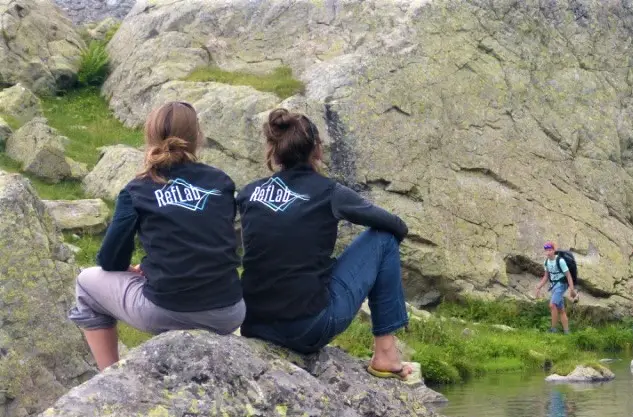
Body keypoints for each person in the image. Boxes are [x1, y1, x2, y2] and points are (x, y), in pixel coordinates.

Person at [67, 101, 245, 370]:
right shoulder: (221, 182)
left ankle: (110, 375)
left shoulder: (137, 189)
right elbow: (207, 238)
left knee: (85, 283)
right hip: (230, 311)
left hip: (165, 309)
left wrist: (142, 268)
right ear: (197, 136)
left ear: (149, 136)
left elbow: (110, 260)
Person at [238, 108, 412, 379]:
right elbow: (395, 225)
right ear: (317, 150)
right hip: (307, 327)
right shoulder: (329, 191)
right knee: (384, 239)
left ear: (273, 150)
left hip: (253, 324)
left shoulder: (249, 193)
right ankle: (386, 354)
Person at [533, 241, 576, 333]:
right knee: (561, 310)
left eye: (550, 250)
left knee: (552, 305)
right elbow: (546, 276)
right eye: (546, 250)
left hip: (562, 284)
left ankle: (553, 329)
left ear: (554, 250)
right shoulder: (546, 262)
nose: (548, 252)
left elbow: (568, 275)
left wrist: (572, 289)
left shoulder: (560, 261)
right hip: (554, 286)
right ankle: (567, 332)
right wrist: (538, 287)